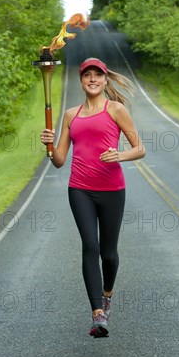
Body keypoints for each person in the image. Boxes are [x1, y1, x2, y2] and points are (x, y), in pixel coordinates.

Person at [40, 57, 146, 338]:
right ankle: (98, 312)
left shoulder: (116, 110)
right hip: (80, 189)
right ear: (81, 81)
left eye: (98, 74)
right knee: (90, 245)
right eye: (87, 75)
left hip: (112, 189)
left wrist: (119, 155)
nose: (93, 79)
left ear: (105, 79)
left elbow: (139, 149)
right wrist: (49, 146)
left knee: (109, 255)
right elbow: (60, 161)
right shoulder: (70, 115)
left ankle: (107, 294)